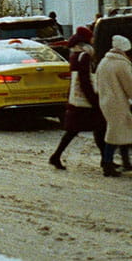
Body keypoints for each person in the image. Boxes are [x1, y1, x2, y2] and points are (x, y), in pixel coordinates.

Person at [48, 26, 107, 171]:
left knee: (78, 130)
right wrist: (93, 99)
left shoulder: (75, 54)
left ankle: (105, 159)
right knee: (98, 127)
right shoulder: (84, 55)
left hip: (77, 99)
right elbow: (84, 80)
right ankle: (106, 160)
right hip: (84, 100)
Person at [95, 35, 132, 177]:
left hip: (106, 101)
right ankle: (108, 163)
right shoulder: (121, 64)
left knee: (121, 131)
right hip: (118, 102)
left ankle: (123, 161)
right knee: (116, 133)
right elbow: (130, 84)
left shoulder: (104, 62)